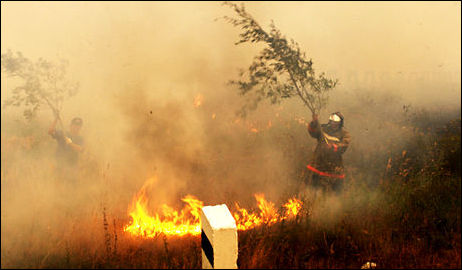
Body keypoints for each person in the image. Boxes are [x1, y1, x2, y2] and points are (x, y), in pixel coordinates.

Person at [306, 112, 351, 193]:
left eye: (336, 122)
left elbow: (344, 145)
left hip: (334, 168)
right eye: (332, 121)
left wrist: (333, 147)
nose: (333, 124)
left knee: (331, 193)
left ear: (340, 123)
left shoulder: (344, 134)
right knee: (312, 190)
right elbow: (313, 132)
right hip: (318, 164)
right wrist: (314, 122)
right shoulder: (323, 129)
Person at [48, 116, 84, 184]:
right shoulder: (63, 133)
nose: (76, 127)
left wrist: (70, 143)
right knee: (58, 185)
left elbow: (81, 149)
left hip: (72, 167)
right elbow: (50, 131)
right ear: (70, 125)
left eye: (78, 126)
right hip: (59, 165)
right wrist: (56, 118)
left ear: (80, 128)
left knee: (71, 186)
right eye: (75, 125)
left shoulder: (80, 138)